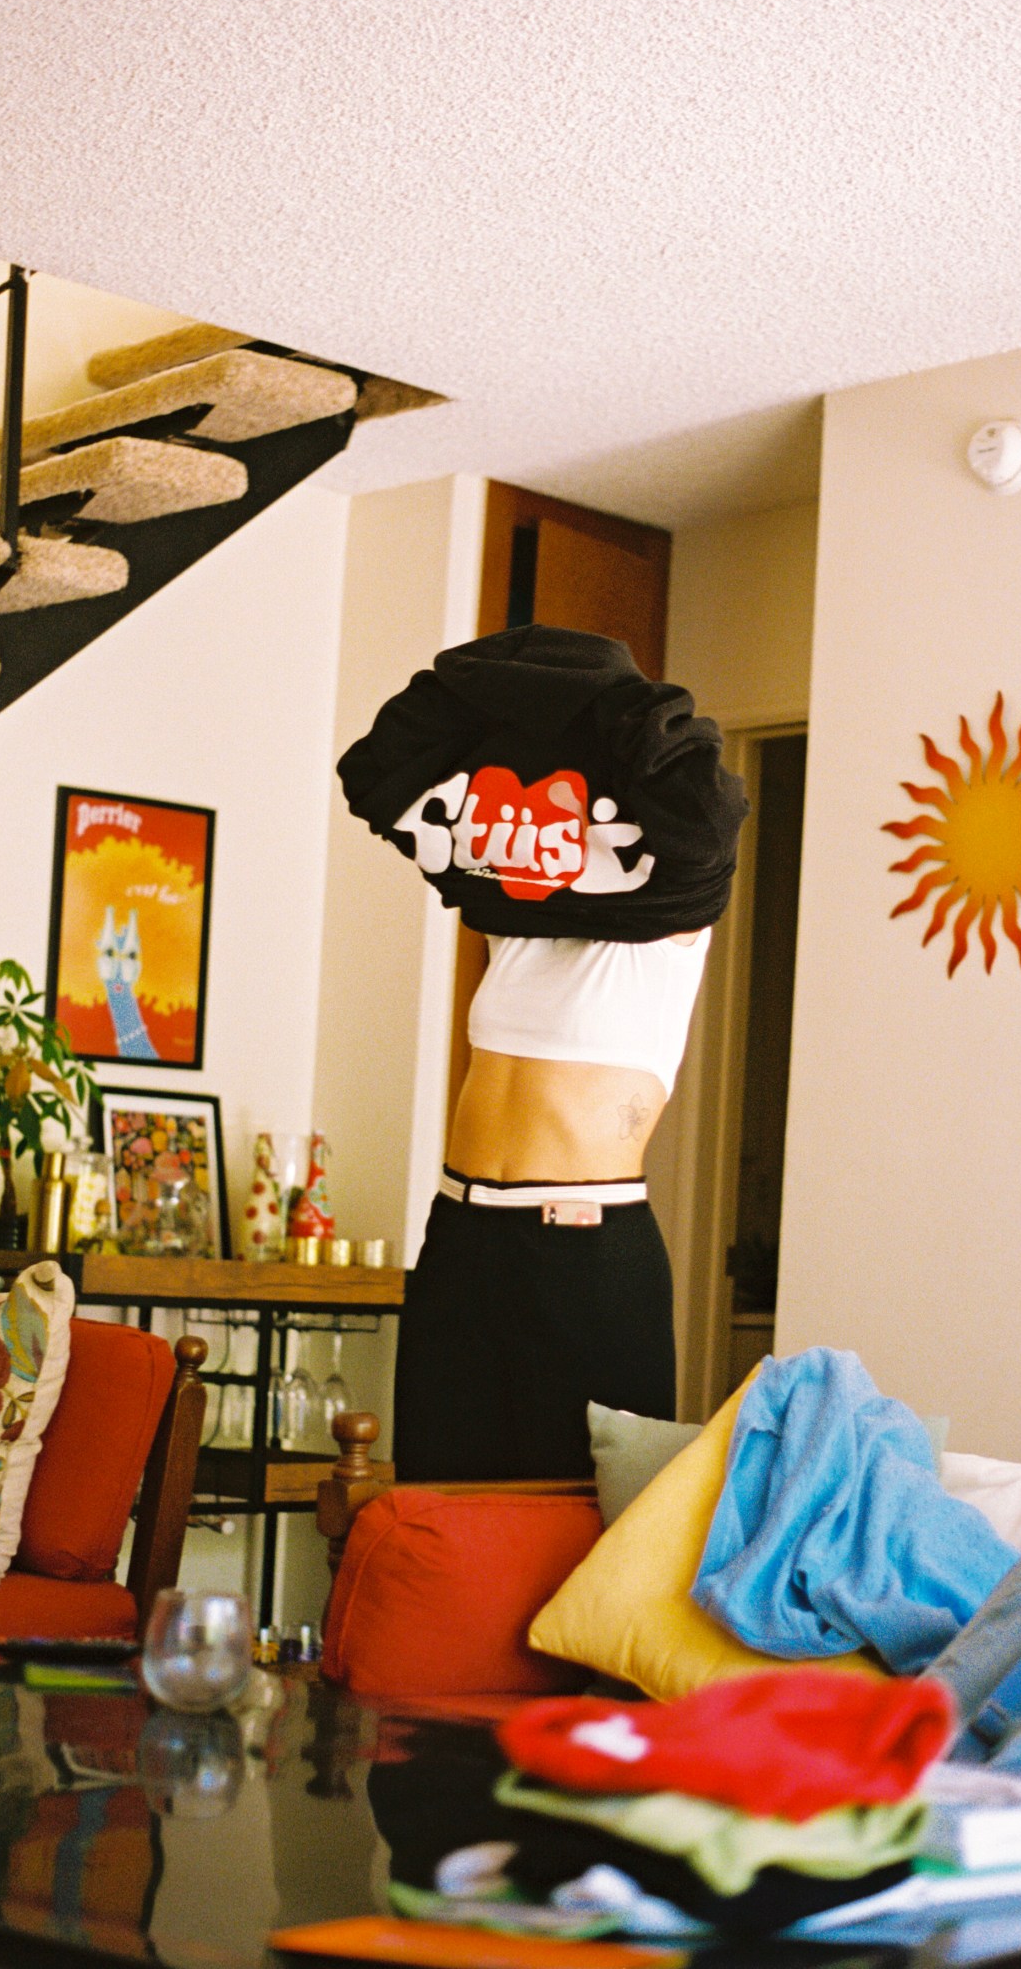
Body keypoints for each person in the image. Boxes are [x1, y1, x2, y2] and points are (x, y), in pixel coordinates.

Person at [338, 625, 747, 1478]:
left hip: (588, 1255)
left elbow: (699, 800)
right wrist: (504, 685)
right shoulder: (512, 906)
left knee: (577, 1533)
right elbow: (377, 768)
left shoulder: (678, 902)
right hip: (461, 1238)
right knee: (436, 1515)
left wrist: (607, 686)